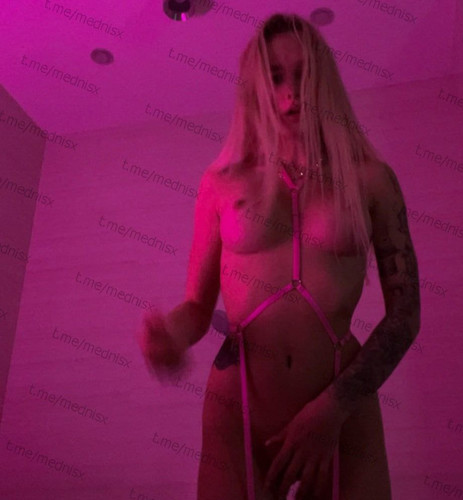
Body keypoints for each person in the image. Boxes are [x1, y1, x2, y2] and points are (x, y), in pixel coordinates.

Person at [137, 12, 421, 500]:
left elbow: (406, 315)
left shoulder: (371, 180)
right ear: (256, 88)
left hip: (341, 407)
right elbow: (198, 309)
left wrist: (333, 407)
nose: (292, 92)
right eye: (275, 77)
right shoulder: (221, 183)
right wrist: (171, 338)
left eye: (303, 74)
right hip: (239, 406)